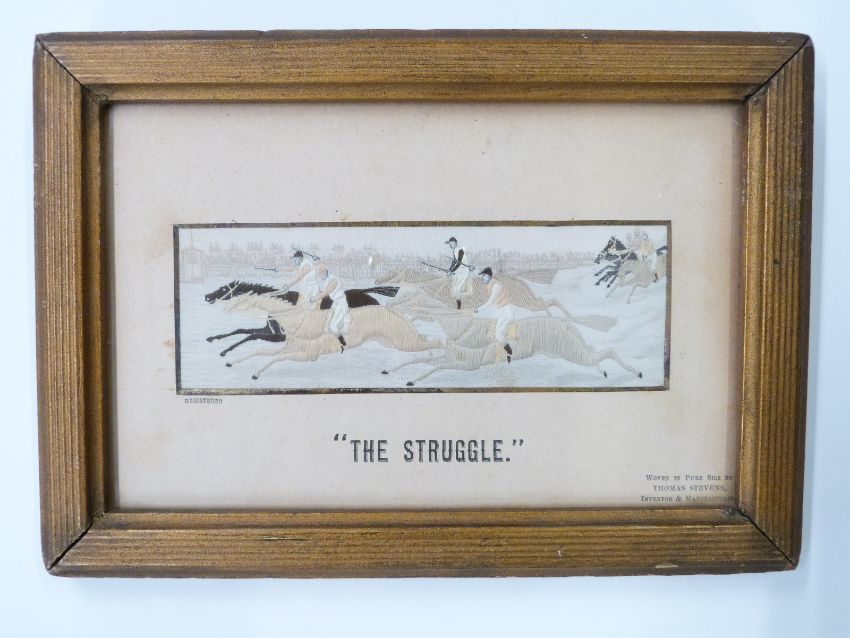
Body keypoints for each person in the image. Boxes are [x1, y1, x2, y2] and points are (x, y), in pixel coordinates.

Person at [473, 267, 514, 363]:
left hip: (505, 312)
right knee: (498, 334)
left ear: (488, 276)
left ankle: (509, 352)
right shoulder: (491, 285)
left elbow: (490, 302)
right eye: (482, 275)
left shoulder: (495, 286)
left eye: (483, 275)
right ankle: (508, 352)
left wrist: (478, 309)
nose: (482, 277)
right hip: (502, 311)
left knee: (499, 334)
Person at [310, 264, 350, 352]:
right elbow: (323, 291)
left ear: (325, 271)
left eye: (320, 272)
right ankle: (333, 343)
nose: (319, 275)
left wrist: (315, 299)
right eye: (318, 273)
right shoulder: (326, 280)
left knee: (333, 326)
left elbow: (326, 292)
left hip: (341, 304)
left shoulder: (333, 280)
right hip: (335, 303)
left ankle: (344, 344)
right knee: (327, 325)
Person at [445, 236, 471, 309]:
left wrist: (452, 271)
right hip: (459, 271)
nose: (450, 245)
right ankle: (458, 305)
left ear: (455, 243)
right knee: (454, 289)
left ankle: (459, 306)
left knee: (456, 288)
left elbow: (459, 263)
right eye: (449, 244)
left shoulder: (460, 250)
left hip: (464, 271)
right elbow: (454, 261)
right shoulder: (454, 251)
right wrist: (449, 269)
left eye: (451, 243)